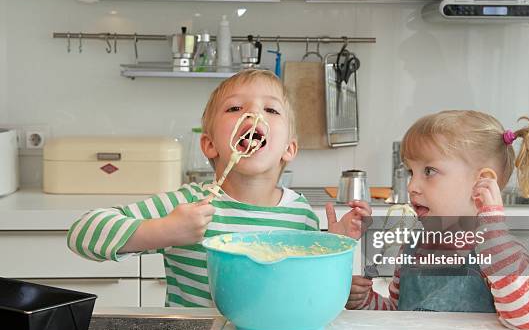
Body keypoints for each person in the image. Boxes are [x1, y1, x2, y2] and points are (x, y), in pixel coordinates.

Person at [67, 69, 371, 307]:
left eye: (271, 110)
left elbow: (302, 291)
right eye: (236, 107)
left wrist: (334, 253)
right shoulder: (187, 207)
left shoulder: (300, 216)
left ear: (289, 149)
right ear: (210, 145)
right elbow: (83, 232)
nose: (254, 115)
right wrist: (164, 231)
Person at [347, 110, 529, 330]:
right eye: (411, 172)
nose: (412, 186)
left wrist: (495, 235)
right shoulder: (412, 248)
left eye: (428, 171)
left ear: (481, 182)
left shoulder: (500, 251)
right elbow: (400, 315)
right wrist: (366, 302)